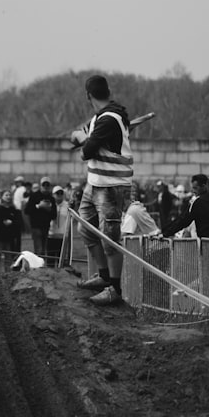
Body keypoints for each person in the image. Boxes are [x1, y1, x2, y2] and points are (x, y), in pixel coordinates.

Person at [70, 75, 133, 306]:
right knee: (85, 229)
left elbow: (85, 151)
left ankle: (114, 289)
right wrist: (81, 136)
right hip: (95, 182)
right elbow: (84, 138)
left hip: (110, 186)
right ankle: (104, 276)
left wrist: (80, 137)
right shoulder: (101, 118)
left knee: (110, 237)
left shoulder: (109, 119)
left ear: (88, 96)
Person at [0, 190, 24, 273]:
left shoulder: (13, 209)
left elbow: (19, 222)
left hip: (9, 238)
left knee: (8, 259)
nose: (9, 197)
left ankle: (7, 276)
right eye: (6, 195)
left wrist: (11, 222)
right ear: (2, 197)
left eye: (10, 195)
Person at [24, 177, 57, 257]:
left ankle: (43, 265)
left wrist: (48, 209)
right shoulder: (34, 196)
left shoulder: (51, 198)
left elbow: (54, 215)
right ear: (40, 185)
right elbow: (27, 210)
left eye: (47, 185)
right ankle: (38, 266)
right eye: (44, 185)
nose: (45, 186)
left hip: (46, 227)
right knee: (39, 249)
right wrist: (38, 206)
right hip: (36, 226)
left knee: (45, 249)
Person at [46, 185, 72, 267]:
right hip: (51, 235)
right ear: (53, 194)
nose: (59, 195)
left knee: (61, 259)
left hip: (62, 236)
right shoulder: (49, 205)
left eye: (61, 193)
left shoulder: (68, 205)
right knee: (50, 259)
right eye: (57, 193)